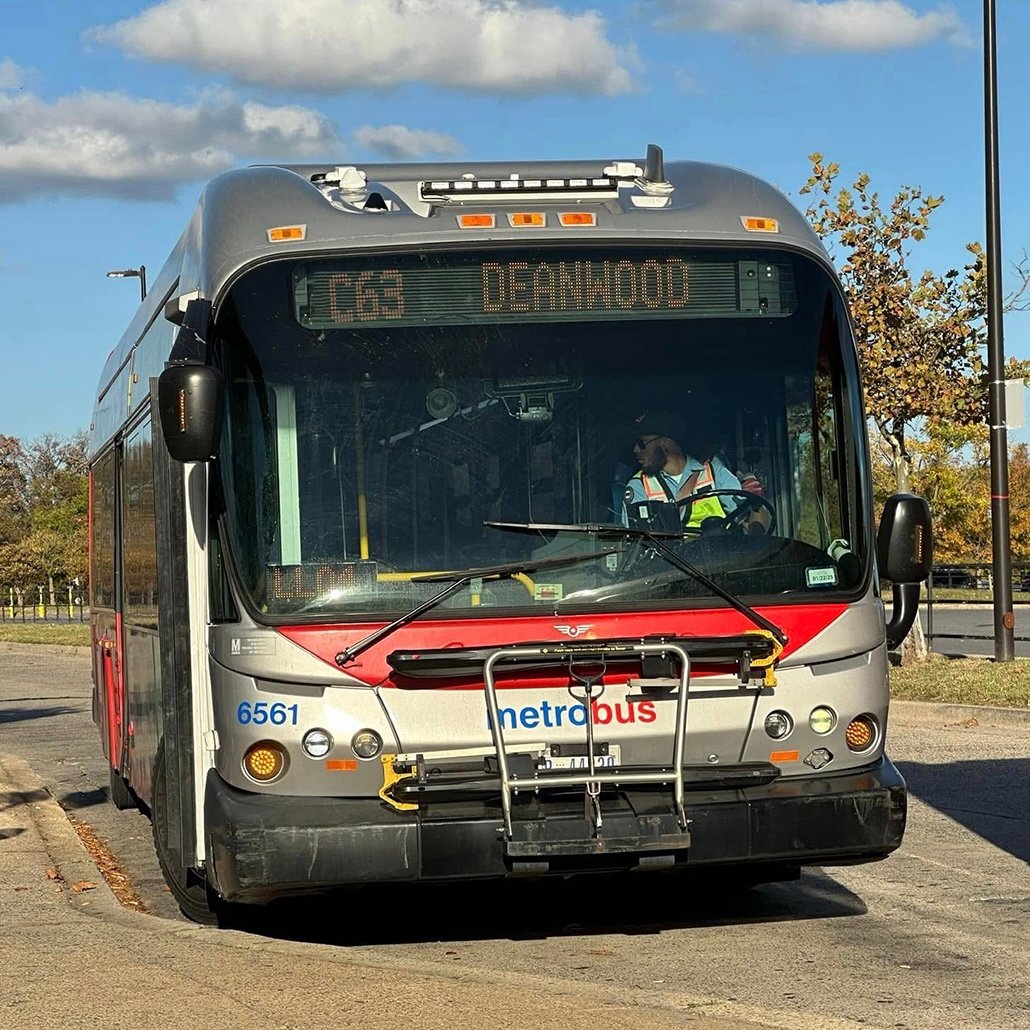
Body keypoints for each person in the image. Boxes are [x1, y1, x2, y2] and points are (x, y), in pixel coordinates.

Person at [622, 411, 769, 533]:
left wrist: (756, 504)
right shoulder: (639, 486)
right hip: (673, 566)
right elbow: (640, 545)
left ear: (665, 444)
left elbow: (751, 527)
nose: (635, 450)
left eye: (642, 444)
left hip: (725, 560)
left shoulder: (714, 472)